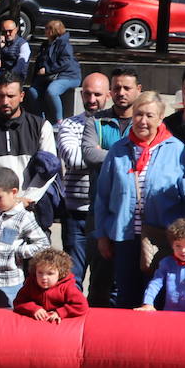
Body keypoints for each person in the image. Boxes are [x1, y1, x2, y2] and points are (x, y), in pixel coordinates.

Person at [92, 92, 185, 309]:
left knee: (157, 298)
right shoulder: (118, 150)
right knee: (126, 297)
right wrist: (102, 236)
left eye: (149, 115)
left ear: (160, 118)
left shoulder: (175, 150)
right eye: (138, 114)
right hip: (125, 238)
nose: (143, 121)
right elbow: (102, 196)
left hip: (162, 239)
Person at [82, 67, 141, 306]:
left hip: (134, 214)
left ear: (138, 90)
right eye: (116, 88)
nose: (121, 93)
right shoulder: (96, 120)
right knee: (99, 281)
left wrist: (107, 155)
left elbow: (146, 156)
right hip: (100, 210)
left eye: (127, 88)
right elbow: (88, 153)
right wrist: (128, 157)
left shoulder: (145, 120)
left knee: (128, 281)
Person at [0, 72, 56, 213]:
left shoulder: (41, 126)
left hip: (31, 212)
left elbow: (48, 170)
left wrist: (26, 200)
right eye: (0, 96)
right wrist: (7, 201)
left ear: (21, 96)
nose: (5, 102)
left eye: (10, 96)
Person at [57, 73, 110, 287]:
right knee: (72, 278)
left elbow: (128, 160)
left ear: (108, 95)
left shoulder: (111, 125)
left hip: (104, 214)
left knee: (102, 282)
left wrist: (96, 153)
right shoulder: (70, 124)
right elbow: (72, 158)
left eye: (97, 94)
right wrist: (107, 154)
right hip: (75, 212)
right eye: (87, 94)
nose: (92, 99)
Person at [0, 168, 49, 307]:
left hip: (8, 283)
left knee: (7, 318)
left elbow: (43, 243)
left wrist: (18, 251)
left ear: (14, 192)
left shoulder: (24, 217)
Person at [137, 217, 185, 313]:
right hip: (172, 312)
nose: (183, 250)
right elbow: (155, 284)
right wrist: (147, 303)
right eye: (178, 246)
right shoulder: (166, 263)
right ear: (172, 245)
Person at [25, 20, 82, 123]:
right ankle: (40, 120)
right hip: (49, 76)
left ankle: (59, 121)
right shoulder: (45, 45)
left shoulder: (64, 44)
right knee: (32, 91)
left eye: (47, 28)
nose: (45, 31)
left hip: (68, 76)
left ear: (53, 31)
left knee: (52, 91)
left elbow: (66, 62)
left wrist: (47, 69)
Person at [14, 248, 88, 323]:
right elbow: (19, 302)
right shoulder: (31, 284)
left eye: (50, 273)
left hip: (60, 325)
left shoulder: (67, 286)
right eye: (40, 272)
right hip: (36, 324)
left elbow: (81, 305)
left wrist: (60, 312)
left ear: (60, 273)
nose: (44, 277)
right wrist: (34, 309)